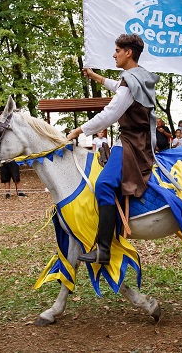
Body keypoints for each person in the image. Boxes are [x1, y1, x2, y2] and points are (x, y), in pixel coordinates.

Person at [66, 34, 159, 265]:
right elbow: (117, 86)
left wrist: (78, 131)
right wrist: (96, 76)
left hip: (132, 144)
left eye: (117, 50)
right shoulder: (139, 77)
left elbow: (110, 114)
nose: (114, 54)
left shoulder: (130, 83)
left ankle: (104, 249)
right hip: (140, 139)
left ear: (129, 52)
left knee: (104, 184)